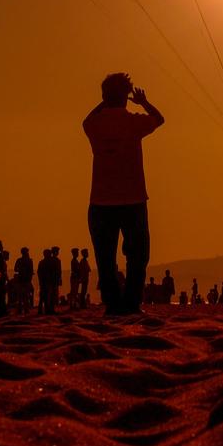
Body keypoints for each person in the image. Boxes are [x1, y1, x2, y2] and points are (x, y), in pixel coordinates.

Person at [83, 73, 165, 315]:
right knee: (138, 255)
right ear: (126, 98)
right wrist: (142, 102)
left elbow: (87, 119)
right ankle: (131, 303)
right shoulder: (133, 122)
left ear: (104, 96)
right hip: (133, 199)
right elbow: (158, 119)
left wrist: (108, 101)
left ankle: (112, 303)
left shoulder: (94, 125)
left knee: (105, 257)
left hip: (101, 201)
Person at [13, 246, 34, 314]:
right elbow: (31, 270)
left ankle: (20, 310)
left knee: (20, 296)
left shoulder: (19, 260)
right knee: (25, 296)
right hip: (26, 280)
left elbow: (15, 269)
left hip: (21, 279)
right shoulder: (29, 260)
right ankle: (25, 309)